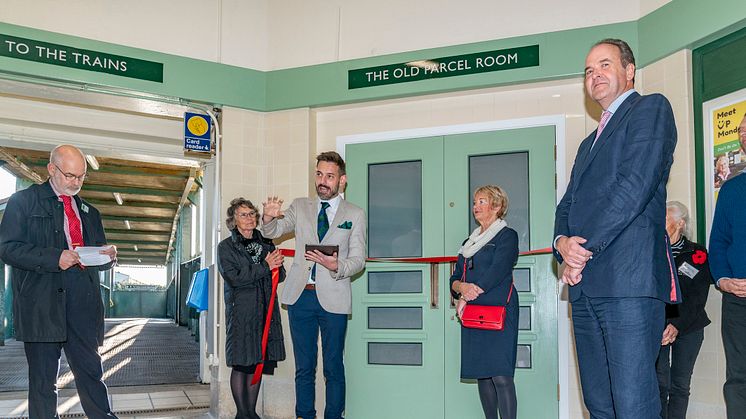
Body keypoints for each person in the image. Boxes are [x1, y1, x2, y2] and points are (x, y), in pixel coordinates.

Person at [553, 39, 679, 418]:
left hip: (628, 285)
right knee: (600, 405)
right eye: (589, 71)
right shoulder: (588, 143)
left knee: (633, 404)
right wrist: (561, 242)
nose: (595, 76)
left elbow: (633, 188)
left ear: (629, 70)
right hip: (586, 290)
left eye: (604, 65)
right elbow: (567, 206)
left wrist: (580, 250)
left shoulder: (650, 109)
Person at [0, 145, 118, 419]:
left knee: (91, 375)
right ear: (51, 169)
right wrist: (55, 257)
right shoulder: (23, 202)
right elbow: (7, 248)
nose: (76, 182)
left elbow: (96, 254)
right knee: (43, 383)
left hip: (82, 306)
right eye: (69, 175)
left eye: (81, 176)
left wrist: (109, 257)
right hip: (42, 306)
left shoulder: (90, 212)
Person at [260, 151, 366, 419]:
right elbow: (272, 232)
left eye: (330, 176)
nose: (323, 181)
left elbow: (358, 260)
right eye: (319, 174)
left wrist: (336, 266)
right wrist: (269, 218)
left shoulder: (354, 213)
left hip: (335, 298)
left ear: (342, 180)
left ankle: (334, 416)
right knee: (304, 367)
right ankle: (303, 415)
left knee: (333, 367)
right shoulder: (300, 206)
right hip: (301, 298)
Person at [450, 185, 519, 419]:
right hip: (473, 311)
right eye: (474, 202)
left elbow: (499, 269)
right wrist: (460, 289)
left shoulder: (507, 236)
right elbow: (455, 276)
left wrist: (470, 291)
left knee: (500, 374)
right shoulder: (468, 243)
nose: (475, 207)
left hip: (499, 308)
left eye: (482, 202)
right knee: (483, 373)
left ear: (497, 206)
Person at [217, 198, 286, 419]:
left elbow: (279, 275)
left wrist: (276, 266)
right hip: (242, 313)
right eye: (243, 214)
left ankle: (252, 413)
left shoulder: (266, 242)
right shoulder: (226, 247)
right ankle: (242, 413)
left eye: (252, 214)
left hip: (265, 311)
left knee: (257, 362)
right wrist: (266, 265)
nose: (249, 218)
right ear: (233, 220)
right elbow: (235, 277)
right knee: (241, 363)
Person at [655, 201, 712, 419]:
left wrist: (676, 325)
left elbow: (698, 297)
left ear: (680, 223)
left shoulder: (697, 253)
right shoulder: (652, 253)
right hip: (658, 327)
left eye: (666, 220)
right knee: (659, 384)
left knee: (679, 385)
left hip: (689, 327)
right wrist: (662, 324)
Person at [709, 155, 746, 419]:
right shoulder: (732, 189)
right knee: (738, 377)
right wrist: (722, 279)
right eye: (741, 131)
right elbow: (719, 242)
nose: (742, 134)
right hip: (737, 299)